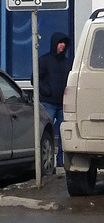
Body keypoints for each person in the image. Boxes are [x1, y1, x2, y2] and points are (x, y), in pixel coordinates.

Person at [38, 32, 71, 168]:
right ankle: (46, 161)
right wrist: (47, 91)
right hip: (48, 103)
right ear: (54, 44)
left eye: (64, 43)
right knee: (46, 132)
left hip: (64, 104)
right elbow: (35, 79)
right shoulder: (44, 60)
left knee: (65, 133)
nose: (62, 45)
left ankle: (61, 161)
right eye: (60, 42)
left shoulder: (68, 62)